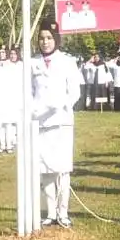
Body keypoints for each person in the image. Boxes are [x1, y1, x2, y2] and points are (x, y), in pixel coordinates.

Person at [32, 20, 84, 228]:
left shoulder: (67, 62)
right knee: (45, 170)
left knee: (62, 169)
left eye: (49, 38)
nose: (45, 42)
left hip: (61, 121)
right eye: (42, 38)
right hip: (40, 122)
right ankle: (50, 213)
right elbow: (29, 92)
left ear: (56, 40)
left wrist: (59, 105)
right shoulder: (33, 63)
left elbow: (75, 92)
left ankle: (63, 213)